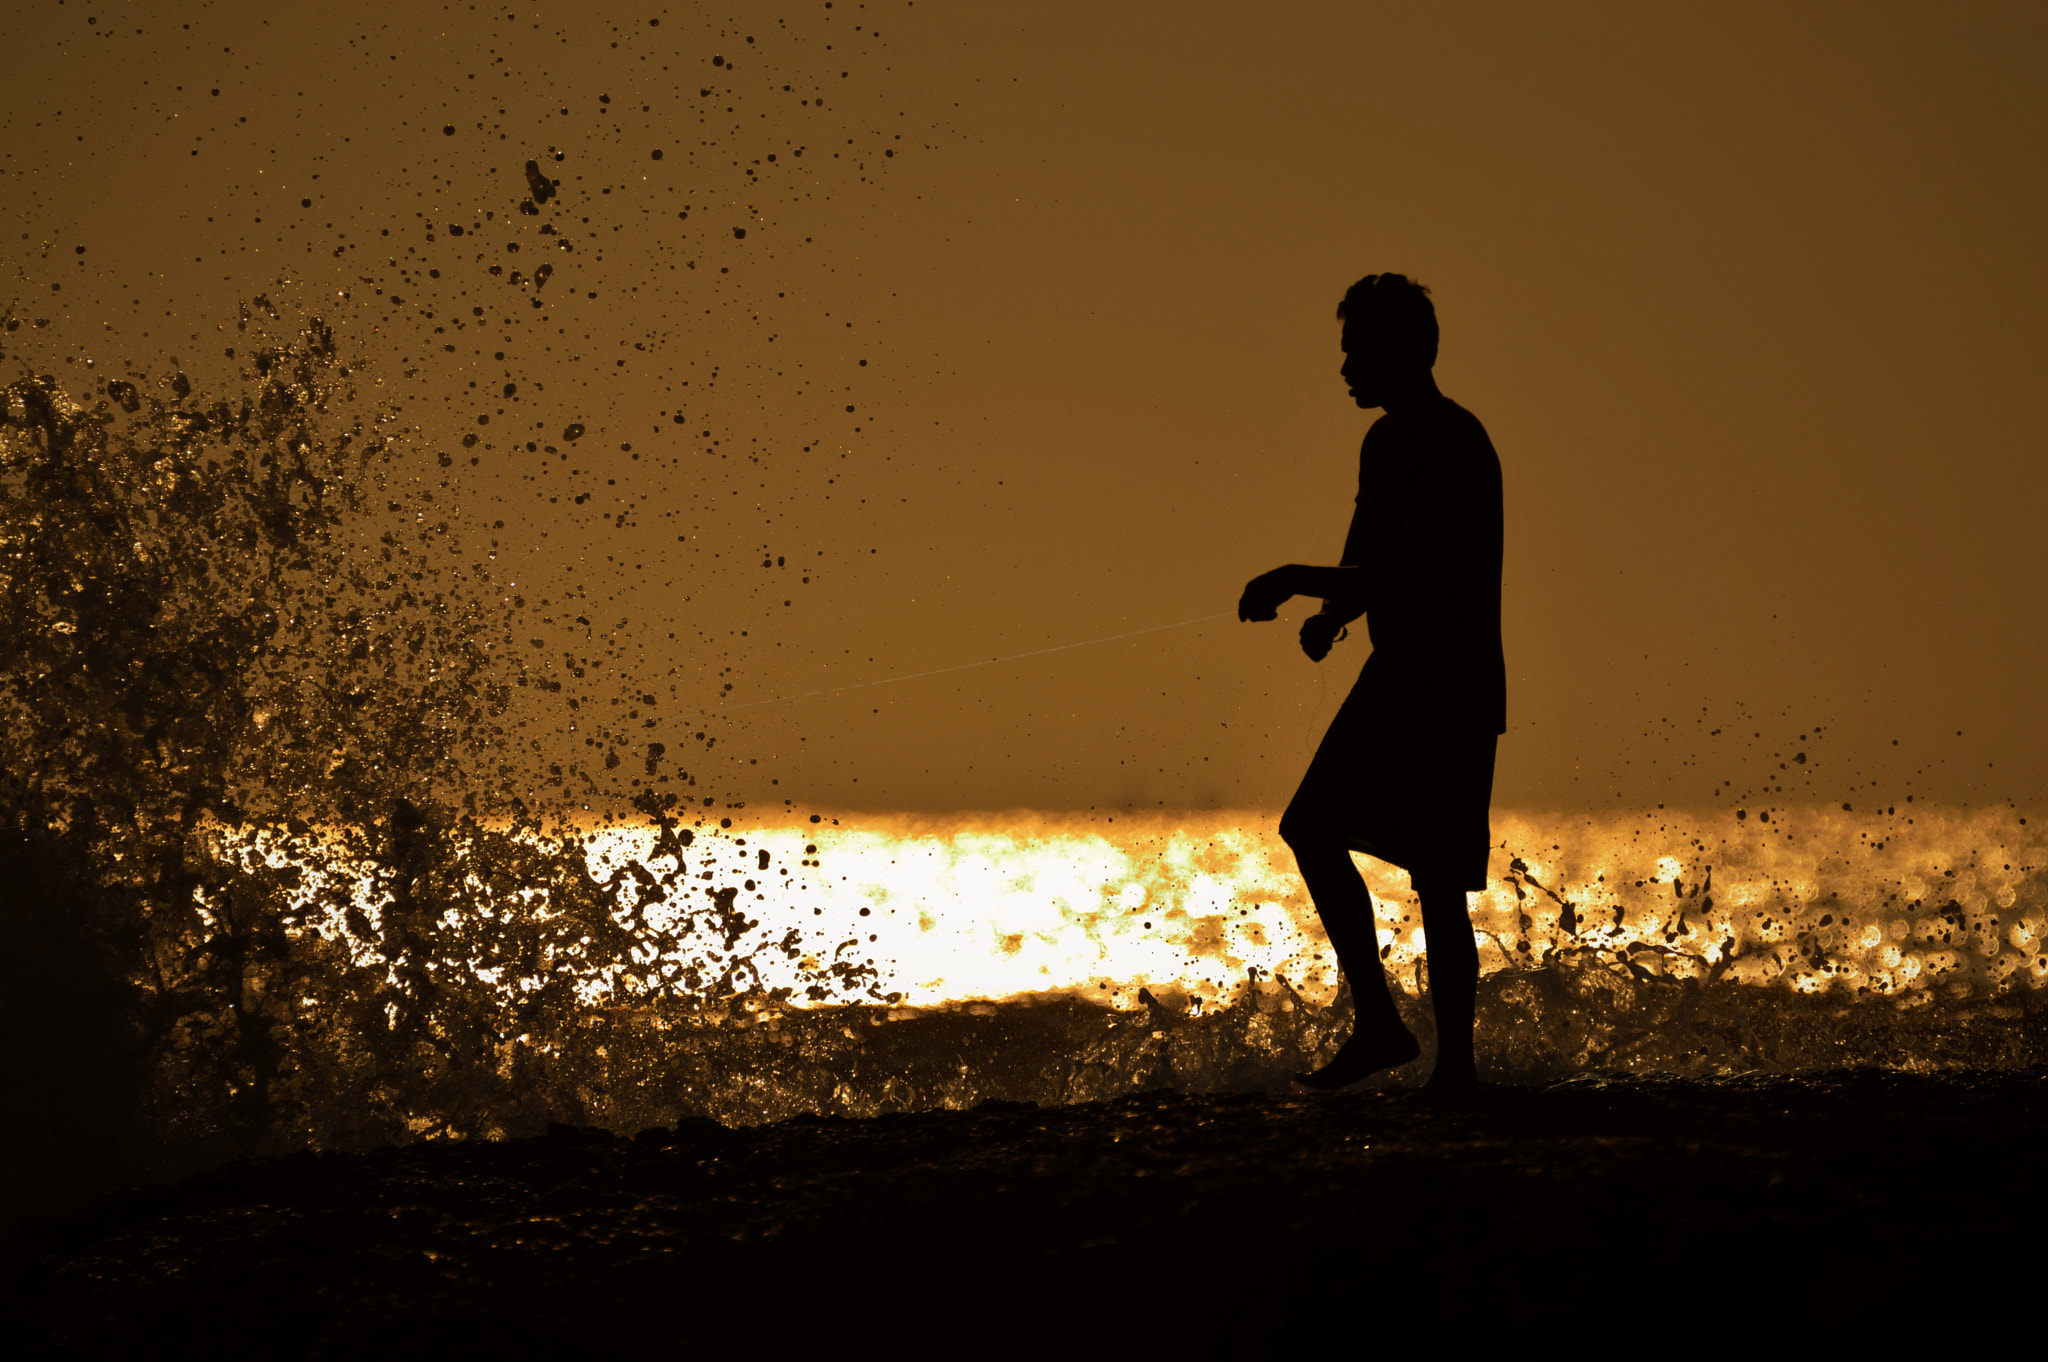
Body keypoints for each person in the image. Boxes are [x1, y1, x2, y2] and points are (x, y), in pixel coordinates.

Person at [1238, 273, 1505, 1089]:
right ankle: (1382, 1025)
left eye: (1357, 351)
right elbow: (1369, 555)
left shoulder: (1455, 441)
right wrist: (1335, 613)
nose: (1346, 367)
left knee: (1437, 883)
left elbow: (1419, 568)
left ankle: (1454, 1070)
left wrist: (1294, 578)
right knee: (1311, 827)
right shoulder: (1382, 443)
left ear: (1403, 352)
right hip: (1397, 674)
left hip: (1451, 682)